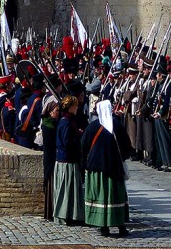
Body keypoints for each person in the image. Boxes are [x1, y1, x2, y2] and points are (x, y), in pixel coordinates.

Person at [82, 98, 132, 237]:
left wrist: (86, 162)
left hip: (97, 170)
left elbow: (83, 146)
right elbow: (127, 146)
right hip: (115, 169)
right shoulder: (117, 126)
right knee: (116, 197)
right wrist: (121, 158)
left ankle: (103, 227)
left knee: (101, 196)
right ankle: (121, 226)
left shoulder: (92, 127)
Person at [53, 95, 84, 225]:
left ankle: (69, 214)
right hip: (67, 161)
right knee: (67, 191)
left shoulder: (66, 121)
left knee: (68, 190)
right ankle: (66, 215)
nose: (77, 108)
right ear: (70, 107)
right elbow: (67, 142)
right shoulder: (66, 122)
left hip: (65, 159)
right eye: (75, 106)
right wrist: (78, 136)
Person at [41, 95, 61, 221]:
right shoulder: (48, 126)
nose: (58, 113)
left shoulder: (53, 124)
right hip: (51, 160)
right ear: (50, 111)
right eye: (56, 111)